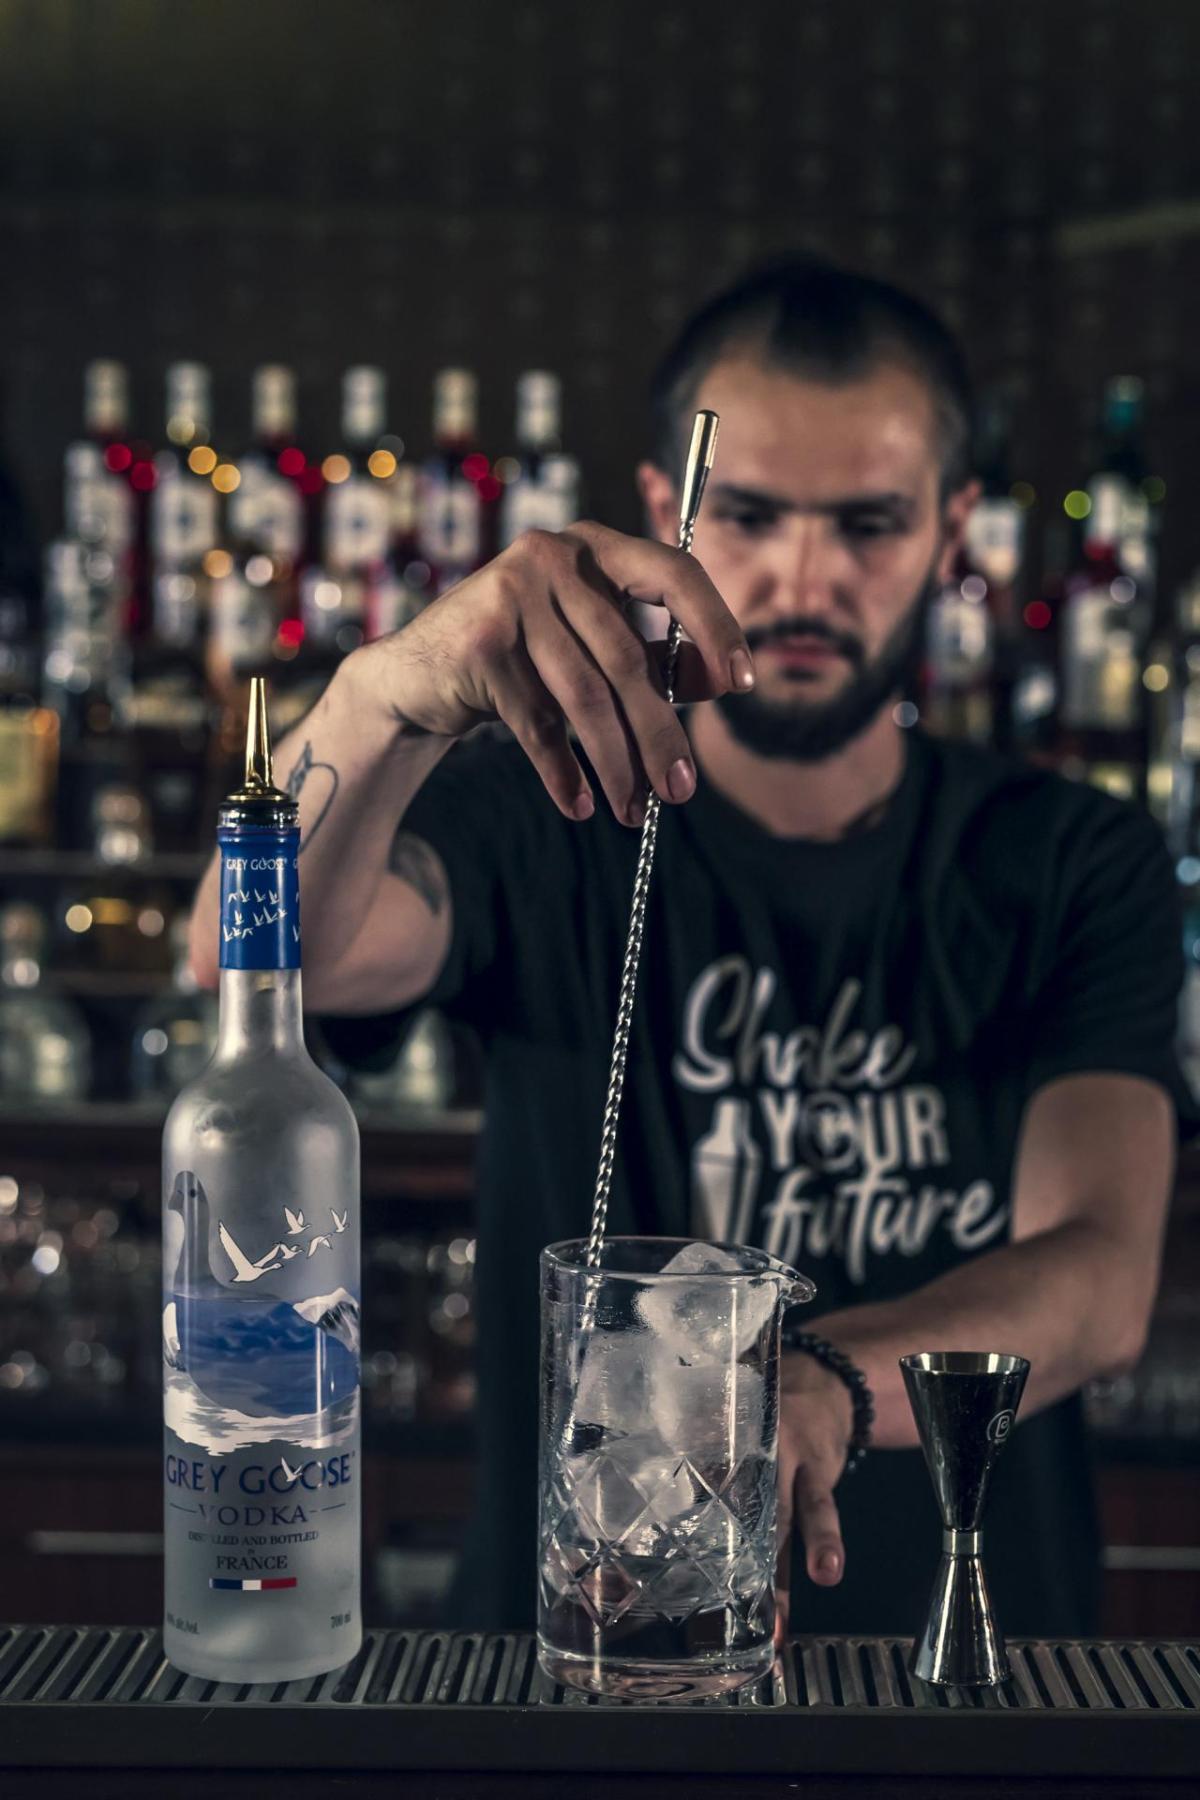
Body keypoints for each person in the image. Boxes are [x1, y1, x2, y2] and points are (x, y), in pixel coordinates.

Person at [189, 257, 1188, 1640]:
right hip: (582, 1674)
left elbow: (1100, 1275)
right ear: (665, 516)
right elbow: (249, 963)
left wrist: (818, 1380)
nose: (801, 576)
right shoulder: (537, 807)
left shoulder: (1073, 859)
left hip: (966, 1684)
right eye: (754, 516)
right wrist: (381, 699)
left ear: (956, 528)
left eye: (870, 524)